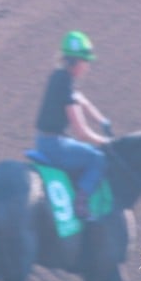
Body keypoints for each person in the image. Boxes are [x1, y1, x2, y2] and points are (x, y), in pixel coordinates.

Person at [34, 30, 113, 220]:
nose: (88, 66)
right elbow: (81, 132)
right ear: (76, 62)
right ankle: (81, 203)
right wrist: (106, 142)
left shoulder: (59, 76)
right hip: (55, 145)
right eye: (86, 61)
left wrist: (102, 121)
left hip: (42, 140)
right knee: (97, 159)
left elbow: (83, 102)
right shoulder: (66, 84)